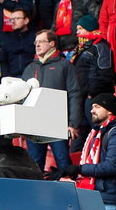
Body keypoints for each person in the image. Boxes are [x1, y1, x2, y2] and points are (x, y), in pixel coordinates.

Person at [61, 94, 116, 210]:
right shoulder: (97, 132)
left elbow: (112, 166)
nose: (92, 110)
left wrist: (80, 169)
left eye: (97, 107)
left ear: (109, 110)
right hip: (96, 198)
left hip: (110, 200)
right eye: (92, 106)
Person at [23, 29, 82, 173]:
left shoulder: (64, 65)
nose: (37, 45)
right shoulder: (30, 68)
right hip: (34, 124)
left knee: (63, 163)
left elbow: (74, 94)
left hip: (57, 123)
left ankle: (68, 193)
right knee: (35, 167)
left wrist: (73, 124)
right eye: (36, 42)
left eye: (41, 41)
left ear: (52, 43)